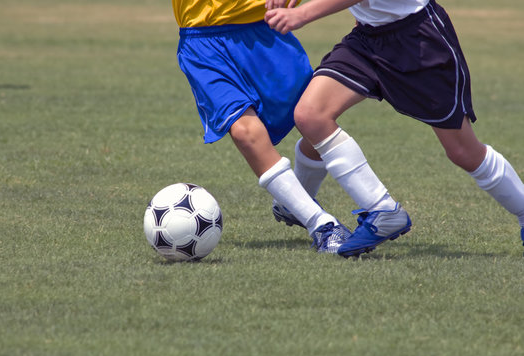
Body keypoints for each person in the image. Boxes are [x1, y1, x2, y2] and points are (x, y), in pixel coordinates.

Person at [265, 0, 524, 257]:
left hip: (418, 40)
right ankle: (381, 209)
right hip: (367, 38)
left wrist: (303, 13)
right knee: (311, 115)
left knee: (463, 152)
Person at [172, 0, 352, 253]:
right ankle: (322, 225)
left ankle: (294, 202)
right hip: (203, 40)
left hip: (265, 32)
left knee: (314, 119)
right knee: (244, 131)